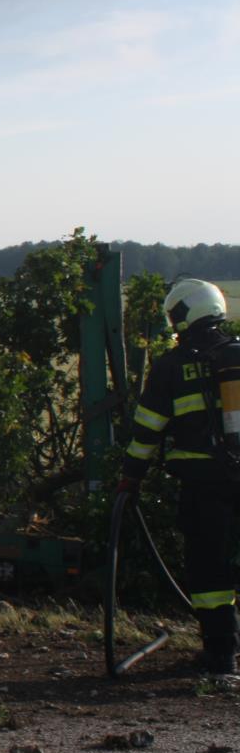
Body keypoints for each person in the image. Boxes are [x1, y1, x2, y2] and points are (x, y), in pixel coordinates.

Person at [119, 278, 240, 678]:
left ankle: (221, 657)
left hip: (204, 485)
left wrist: (131, 477)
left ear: (185, 314)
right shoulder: (236, 355)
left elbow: (147, 430)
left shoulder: (172, 366)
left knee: (210, 572)